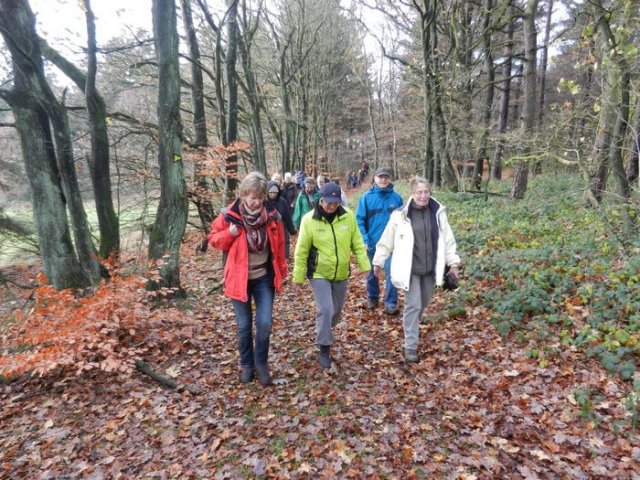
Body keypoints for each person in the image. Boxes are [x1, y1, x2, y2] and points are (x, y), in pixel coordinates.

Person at [208, 172, 288, 386]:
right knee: (244, 326)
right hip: (238, 278)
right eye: (252, 197)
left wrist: (282, 273)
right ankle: (246, 364)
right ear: (243, 195)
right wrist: (230, 233)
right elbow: (213, 239)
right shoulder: (229, 215)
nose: (256, 202)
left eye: (260, 197)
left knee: (265, 323)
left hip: (263, 279)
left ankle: (261, 363)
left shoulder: (273, 216)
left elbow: (280, 246)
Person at [372, 176, 460, 363]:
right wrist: (378, 262)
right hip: (409, 269)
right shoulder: (400, 215)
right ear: (412, 194)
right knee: (413, 305)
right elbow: (387, 240)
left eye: (426, 192)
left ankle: (410, 325)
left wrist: (453, 264)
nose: (423, 196)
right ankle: (410, 346)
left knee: (422, 304)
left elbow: (448, 239)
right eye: (419, 192)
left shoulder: (438, 212)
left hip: (430, 269)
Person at [293, 182, 370, 369]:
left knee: (336, 311)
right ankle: (324, 348)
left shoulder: (348, 217)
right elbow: (301, 251)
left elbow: (357, 242)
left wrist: (364, 265)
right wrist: (298, 277)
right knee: (326, 309)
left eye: (335, 203)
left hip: (341, 272)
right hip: (319, 272)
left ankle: (324, 327)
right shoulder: (309, 220)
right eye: (328, 202)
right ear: (321, 200)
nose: (331, 206)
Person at [356, 167, 403, 315]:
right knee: (371, 273)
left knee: (392, 272)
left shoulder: (397, 198)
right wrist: (364, 238)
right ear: (375, 179)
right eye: (380, 177)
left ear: (390, 179)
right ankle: (373, 297)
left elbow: (403, 222)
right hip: (372, 243)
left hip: (392, 245)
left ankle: (390, 303)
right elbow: (359, 220)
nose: (383, 179)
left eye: (386, 177)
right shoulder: (366, 198)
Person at [267, 181, 297, 260]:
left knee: (284, 242)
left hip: (282, 225)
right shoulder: (264, 202)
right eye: (271, 192)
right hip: (269, 228)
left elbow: (287, 216)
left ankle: (285, 258)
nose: (273, 194)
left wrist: (292, 230)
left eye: (275, 192)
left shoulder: (282, 201)